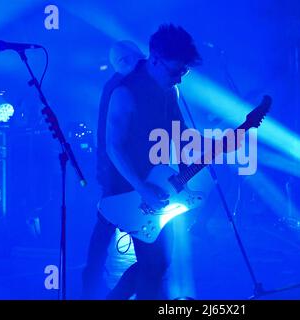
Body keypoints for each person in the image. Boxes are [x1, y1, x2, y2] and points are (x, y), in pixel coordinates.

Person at [97, 24, 202, 300]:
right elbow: (113, 147)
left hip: (159, 184)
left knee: (158, 261)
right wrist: (142, 188)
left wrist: (185, 180)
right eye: (175, 71)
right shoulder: (124, 92)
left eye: (184, 72)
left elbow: (180, 138)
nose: (179, 79)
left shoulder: (170, 92)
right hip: (127, 188)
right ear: (154, 59)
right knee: (154, 261)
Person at [81, 40, 145, 299]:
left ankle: (93, 281)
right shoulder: (120, 87)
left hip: (115, 170)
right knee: (116, 223)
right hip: (117, 171)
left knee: (107, 224)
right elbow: (114, 138)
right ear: (128, 62)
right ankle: (103, 288)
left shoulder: (117, 85)